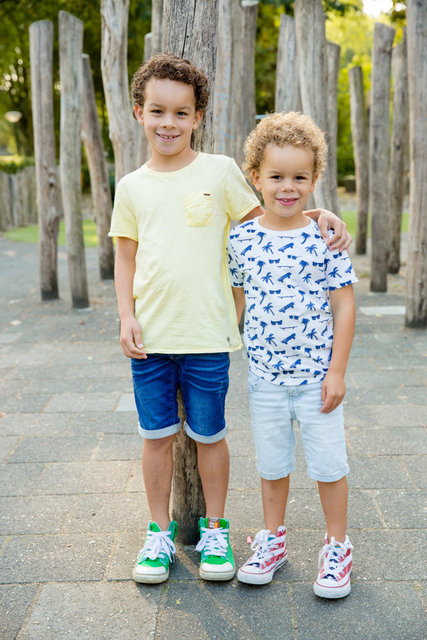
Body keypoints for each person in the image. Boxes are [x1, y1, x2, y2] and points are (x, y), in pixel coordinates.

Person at [109, 53, 350, 585]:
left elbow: (270, 214)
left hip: (210, 335)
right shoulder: (130, 186)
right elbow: (125, 255)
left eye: (180, 113)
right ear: (138, 112)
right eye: (157, 111)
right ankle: (158, 532)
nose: (167, 123)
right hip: (149, 335)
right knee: (156, 437)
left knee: (210, 435)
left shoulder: (218, 171)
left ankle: (216, 530)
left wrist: (318, 214)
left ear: (198, 117)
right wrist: (125, 314)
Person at [228, 111, 357, 599]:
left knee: (328, 465)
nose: (287, 187)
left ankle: (337, 546)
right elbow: (237, 299)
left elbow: (344, 306)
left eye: (299, 177)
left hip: (317, 380)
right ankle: (273, 540)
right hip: (264, 380)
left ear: (314, 179)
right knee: (272, 464)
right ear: (255, 176)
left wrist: (338, 372)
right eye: (276, 176)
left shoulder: (326, 237)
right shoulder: (241, 238)